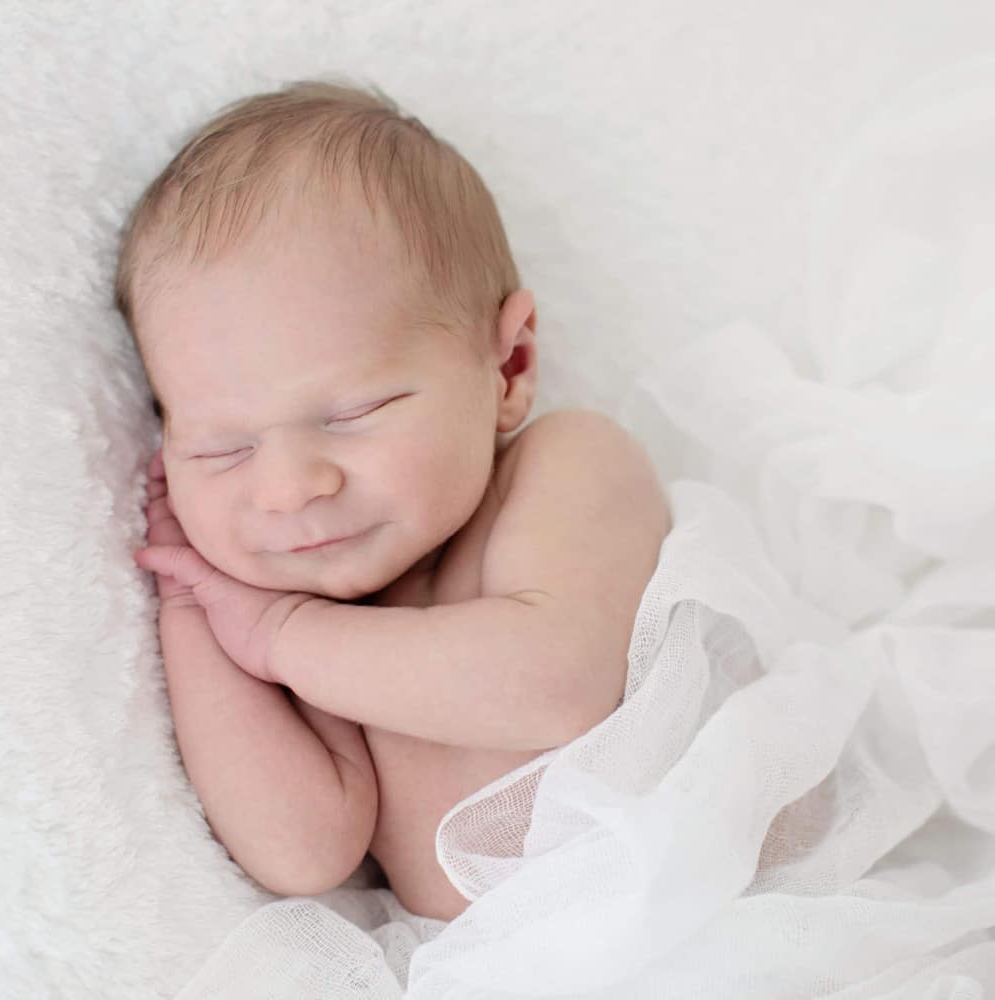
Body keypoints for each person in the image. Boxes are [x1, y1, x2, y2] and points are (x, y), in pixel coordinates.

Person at [120, 80, 670, 920]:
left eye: (354, 413)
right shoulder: (303, 613)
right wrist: (193, 607)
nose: (289, 486)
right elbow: (300, 850)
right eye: (220, 449)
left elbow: (559, 683)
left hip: (719, 912)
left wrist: (280, 638)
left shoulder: (566, 465)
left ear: (508, 368)